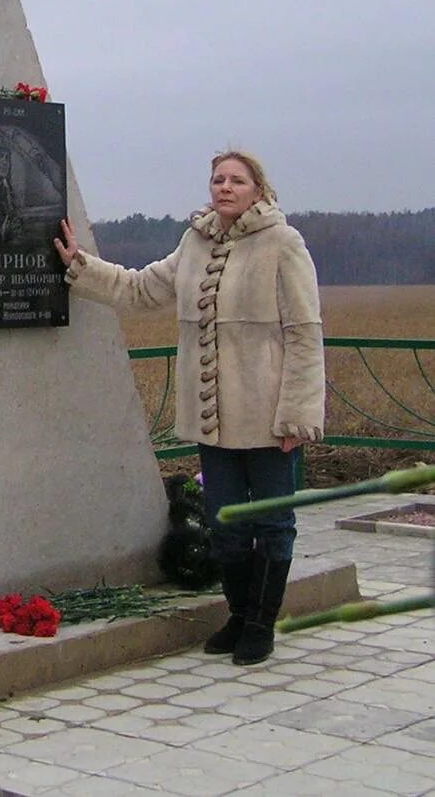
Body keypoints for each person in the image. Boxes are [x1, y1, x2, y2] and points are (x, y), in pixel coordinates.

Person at [53, 151, 324, 665]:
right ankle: (239, 615)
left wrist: (297, 414)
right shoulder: (194, 242)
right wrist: (79, 266)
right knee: (225, 523)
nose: (224, 187)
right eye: (218, 178)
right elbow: (140, 288)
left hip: (268, 417)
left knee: (271, 522)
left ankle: (261, 625)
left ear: (258, 189)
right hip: (214, 420)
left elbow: (305, 335)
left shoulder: (282, 244)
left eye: (236, 180)